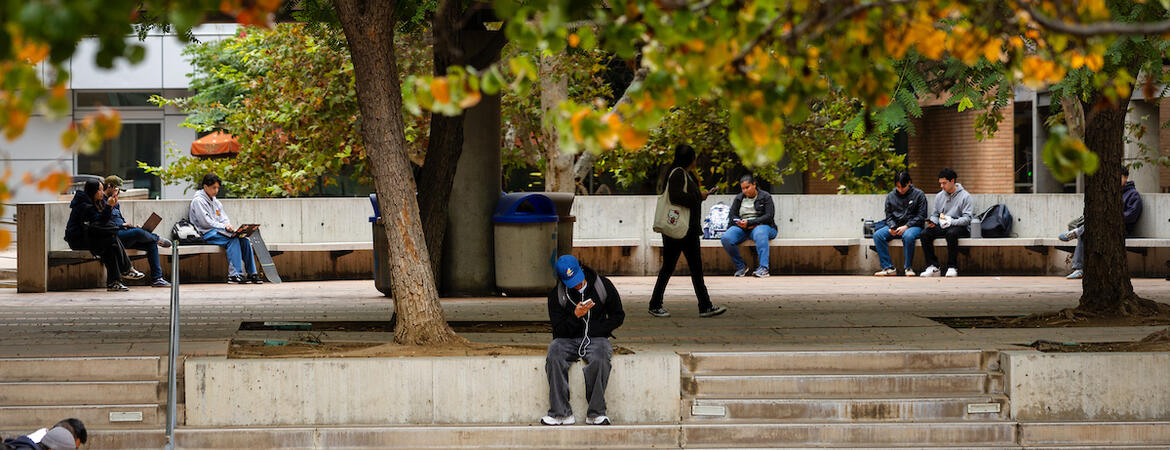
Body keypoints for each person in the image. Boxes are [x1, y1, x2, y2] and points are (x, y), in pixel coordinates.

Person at [541, 255, 625, 426]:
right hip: (567, 339)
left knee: (600, 358)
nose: (577, 285)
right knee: (554, 355)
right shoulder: (556, 295)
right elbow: (558, 330)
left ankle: (596, 413)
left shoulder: (602, 285)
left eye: (578, 280)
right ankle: (560, 413)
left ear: (581, 269)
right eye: (572, 282)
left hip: (596, 337)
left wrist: (596, 329)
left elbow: (618, 316)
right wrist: (575, 316)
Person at [647, 145, 727, 318]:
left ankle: (704, 305)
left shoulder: (682, 173)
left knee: (693, 269)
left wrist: (699, 195)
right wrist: (700, 196)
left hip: (686, 229)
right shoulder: (677, 173)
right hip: (680, 230)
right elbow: (676, 197)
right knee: (671, 268)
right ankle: (656, 304)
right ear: (690, 158)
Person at [1059, 166, 1143, 279]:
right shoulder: (1109, 193)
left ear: (1126, 177)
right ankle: (1079, 269)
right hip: (1103, 227)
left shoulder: (1133, 194)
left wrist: (1111, 218)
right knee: (1087, 232)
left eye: (1119, 177)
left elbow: (1131, 216)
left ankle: (1077, 234)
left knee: (1087, 230)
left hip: (1122, 229)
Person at [63, 179, 145, 291]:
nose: (102, 192)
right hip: (78, 239)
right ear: (93, 191)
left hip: (90, 236)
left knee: (110, 244)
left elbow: (103, 223)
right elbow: (98, 222)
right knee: (110, 241)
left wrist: (110, 207)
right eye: (100, 190)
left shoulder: (95, 202)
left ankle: (115, 282)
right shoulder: (83, 205)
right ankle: (125, 270)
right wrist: (109, 207)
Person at [189, 174, 262, 284]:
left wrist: (229, 226)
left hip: (219, 232)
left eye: (218, 188)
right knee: (233, 240)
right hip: (205, 234)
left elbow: (223, 218)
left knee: (244, 240)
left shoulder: (216, 202)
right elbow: (205, 223)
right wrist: (224, 227)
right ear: (205, 187)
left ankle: (252, 273)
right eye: (214, 187)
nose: (216, 190)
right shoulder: (198, 201)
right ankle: (234, 275)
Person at [104, 176, 172, 287]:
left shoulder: (115, 201)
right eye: (117, 189)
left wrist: (128, 226)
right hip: (114, 237)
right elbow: (103, 222)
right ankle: (156, 238)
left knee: (150, 243)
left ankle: (157, 278)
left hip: (123, 233)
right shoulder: (102, 201)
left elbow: (118, 219)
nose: (119, 192)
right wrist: (122, 225)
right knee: (138, 233)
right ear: (109, 186)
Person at [920, 168, 974, 278]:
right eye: (940, 183)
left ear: (952, 181)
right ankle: (933, 266)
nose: (942, 186)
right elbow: (934, 214)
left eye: (944, 183)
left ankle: (952, 266)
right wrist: (933, 222)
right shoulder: (939, 196)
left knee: (951, 234)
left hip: (959, 227)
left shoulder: (965, 196)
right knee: (925, 234)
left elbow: (967, 218)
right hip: (942, 225)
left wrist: (951, 221)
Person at [720, 174, 777, 278]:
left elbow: (769, 216)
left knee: (760, 232)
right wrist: (739, 223)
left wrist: (750, 223)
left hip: (762, 226)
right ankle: (741, 267)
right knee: (726, 238)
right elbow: (732, 215)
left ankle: (764, 268)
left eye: (747, 187)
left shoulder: (765, 196)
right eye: (743, 188)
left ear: (754, 185)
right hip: (743, 227)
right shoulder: (739, 198)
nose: (745, 191)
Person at [873, 171, 928, 276]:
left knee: (908, 235)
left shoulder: (919, 195)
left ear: (909, 183)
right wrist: (892, 227)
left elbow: (921, 216)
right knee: (878, 235)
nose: (901, 190)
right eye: (898, 187)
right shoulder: (891, 196)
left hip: (913, 226)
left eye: (903, 187)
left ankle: (908, 268)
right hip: (896, 225)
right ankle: (888, 267)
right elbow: (888, 216)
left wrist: (907, 226)